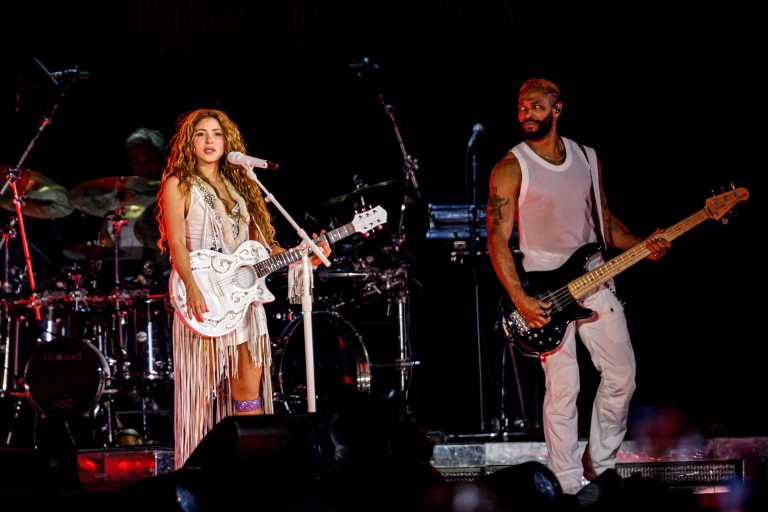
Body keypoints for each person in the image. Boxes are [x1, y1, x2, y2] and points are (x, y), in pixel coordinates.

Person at [486, 78, 671, 495]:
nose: (525, 113)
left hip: (595, 277)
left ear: (557, 109)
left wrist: (642, 245)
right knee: (564, 386)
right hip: (545, 292)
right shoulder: (510, 166)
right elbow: (496, 238)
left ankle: (600, 467)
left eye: (535, 105)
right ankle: (568, 485)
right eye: (521, 107)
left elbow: (603, 220)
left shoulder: (588, 157)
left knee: (622, 375)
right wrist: (520, 298)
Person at [156, 108, 330, 468]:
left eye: (217, 134)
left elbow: (263, 250)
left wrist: (304, 256)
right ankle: (198, 473)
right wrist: (192, 286)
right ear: (189, 142)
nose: (209, 141)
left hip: (243, 301)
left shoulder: (242, 187)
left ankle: (250, 472)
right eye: (201, 134)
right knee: (202, 396)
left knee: (248, 394)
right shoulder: (179, 183)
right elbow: (177, 245)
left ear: (227, 142)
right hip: (204, 297)